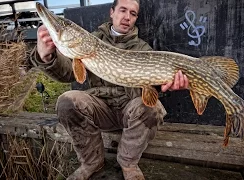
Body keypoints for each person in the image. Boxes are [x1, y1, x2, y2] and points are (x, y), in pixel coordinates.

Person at [30, 0, 189, 179]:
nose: (127, 17)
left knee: (153, 108)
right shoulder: (91, 41)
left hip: (129, 113)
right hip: (100, 110)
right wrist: (47, 56)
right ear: (112, 12)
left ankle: (128, 163)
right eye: (122, 10)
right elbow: (67, 73)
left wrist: (167, 84)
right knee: (67, 101)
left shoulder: (143, 49)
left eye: (133, 13)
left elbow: (151, 87)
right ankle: (92, 162)